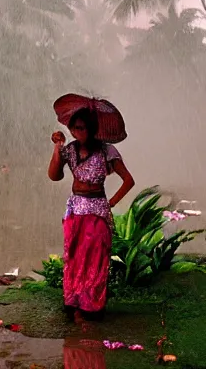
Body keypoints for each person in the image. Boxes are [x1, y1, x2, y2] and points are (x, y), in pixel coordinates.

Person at [48, 107, 135, 322]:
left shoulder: (107, 151)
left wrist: (110, 203)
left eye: (82, 128)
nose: (77, 132)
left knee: (94, 259)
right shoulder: (70, 149)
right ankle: (73, 303)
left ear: (92, 130)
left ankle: (91, 307)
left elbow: (128, 180)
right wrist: (57, 148)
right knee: (74, 258)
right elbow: (54, 176)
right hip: (75, 210)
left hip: (97, 212)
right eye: (74, 128)